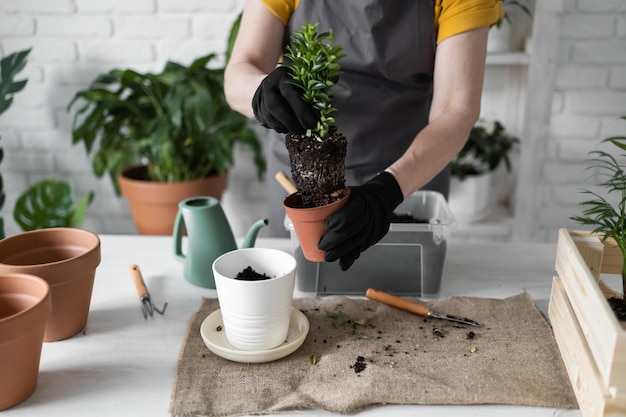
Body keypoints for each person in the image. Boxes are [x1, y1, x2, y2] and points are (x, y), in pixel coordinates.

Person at [225, 0, 503, 270]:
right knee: (304, 293)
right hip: (301, 179)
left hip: (407, 178)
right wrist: (261, 92)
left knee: (402, 283)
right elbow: (240, 71)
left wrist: (387, 191)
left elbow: (456, 108)